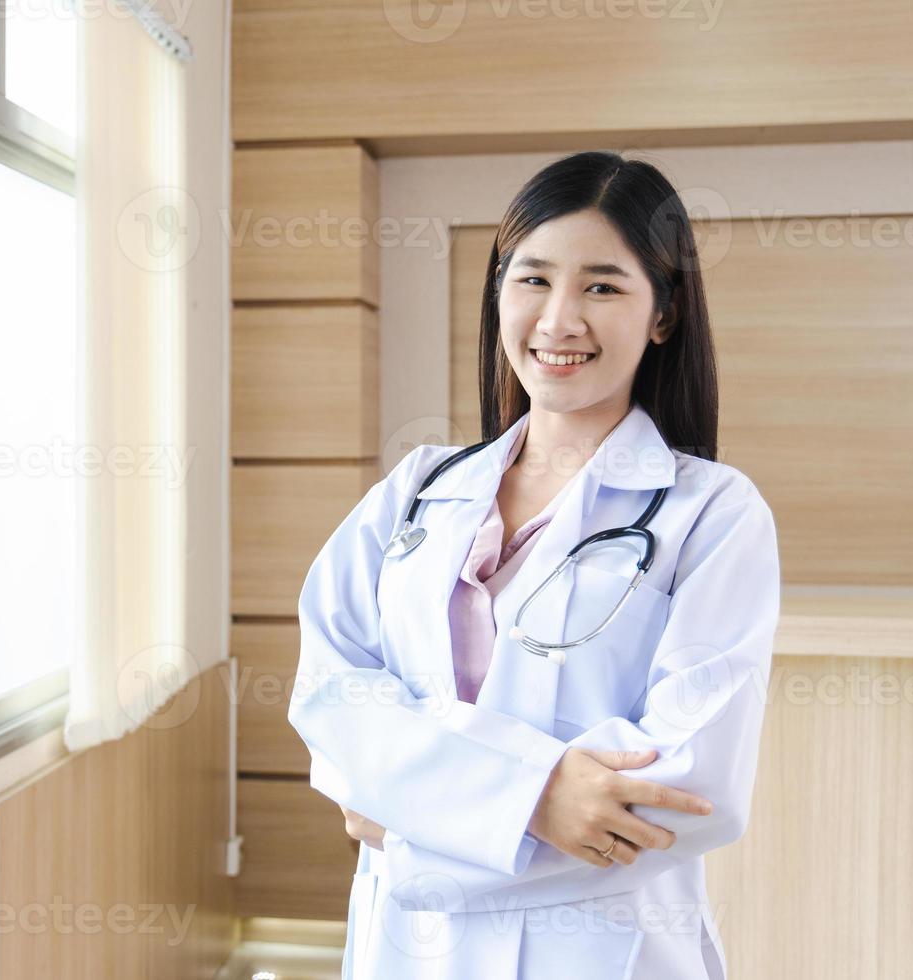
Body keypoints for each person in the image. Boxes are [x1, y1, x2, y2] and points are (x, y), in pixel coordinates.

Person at [289, 150, 781, 979]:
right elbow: (328, 697)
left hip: (599, 949)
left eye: (602, 286)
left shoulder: (714, 514)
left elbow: (688, 787)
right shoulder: (418, 489)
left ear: (663, 314)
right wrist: (540, 798)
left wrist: (411, 809)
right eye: (532, 280)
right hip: (408, 950)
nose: (558, 321)